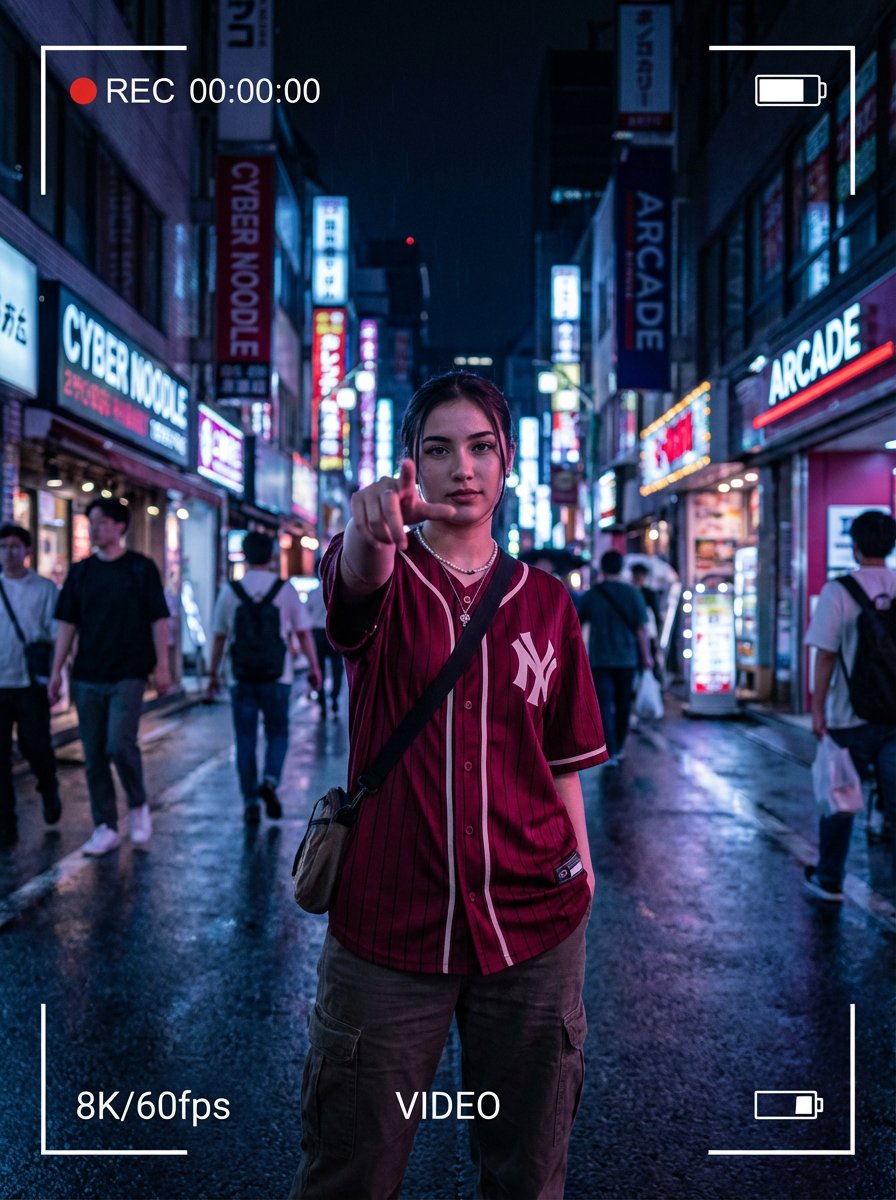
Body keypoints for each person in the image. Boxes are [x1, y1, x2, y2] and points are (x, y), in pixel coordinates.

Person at [290, 372, 608, 1200]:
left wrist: (581, 874)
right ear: (412, 465)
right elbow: (354, 583)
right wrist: (371, 531)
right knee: (350, 1171)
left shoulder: (548, 602)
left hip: (534, 926)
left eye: (480, 448)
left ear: (507, 463)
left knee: (528, 1175)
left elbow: (563, 760)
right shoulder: (382, 572)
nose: (461, 468)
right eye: (438, 450)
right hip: (389, 926)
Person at [48, 497, 172, 856]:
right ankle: (104, 825)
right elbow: (66, 625)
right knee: (93, 755)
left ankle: (137, 804)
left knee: (119, 744)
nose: (94, 528)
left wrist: (163, 666)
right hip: (87, 673)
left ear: (120, 526)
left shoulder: (140, 568)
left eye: (101, 522)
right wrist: (56, 673)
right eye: (91, 522)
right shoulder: (81, 572)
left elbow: (159, 620)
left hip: (129, 673)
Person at [803, 509, 896, 901]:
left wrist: (818, 709)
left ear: (854, 546)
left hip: (848, 716)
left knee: (840, 799)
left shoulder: (839, 591)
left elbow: (825, 655)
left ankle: (829, 879)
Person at [207, 532, 321, 824]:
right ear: (272, 556)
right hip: (278, 676)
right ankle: (270, 780)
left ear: (244, 556)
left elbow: (219, 637)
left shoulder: (230, 591)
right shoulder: (284, 589)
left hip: (241, 677)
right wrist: (314, 667)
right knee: (278, 733)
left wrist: (212, 674)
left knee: (244, 739)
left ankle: (249, 802)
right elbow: (303, 633)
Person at [0, 523, 61, 847]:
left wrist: (57, 675)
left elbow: (57, 635)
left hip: (30, 683)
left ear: (27, 551)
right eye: (3, 547)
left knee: (35, 746)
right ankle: (6, 826)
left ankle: (48, 787)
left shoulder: (45, 589)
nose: (8, 552)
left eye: (14, 546)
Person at [578, 550, 654, 766]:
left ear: (602, 568)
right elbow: (642, 629)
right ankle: (619, 747)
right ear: (621, 568)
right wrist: (647, 656)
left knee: (603, 705)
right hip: (627, 659)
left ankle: (609, 750)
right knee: (623, 705)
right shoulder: (633, 593)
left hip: (600, 659)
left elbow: (577, 623)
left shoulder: (593, 594)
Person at [304, 576, 343, 716]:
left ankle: (322, 703)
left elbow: (306, 615)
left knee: (319, 669)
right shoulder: (337, 591)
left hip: (317, 634)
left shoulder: (312, 593)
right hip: (334, 632)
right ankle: (334, 697)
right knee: (337, 668)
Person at [630, 562, 663, 678]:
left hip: (646, 633)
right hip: (645, 634)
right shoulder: (646, 593)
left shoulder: (647, 593)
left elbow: (656, 616)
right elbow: (657, 616)